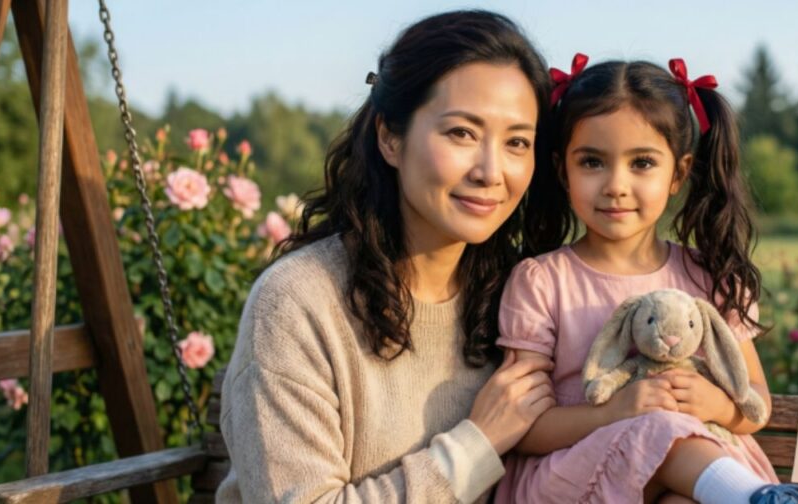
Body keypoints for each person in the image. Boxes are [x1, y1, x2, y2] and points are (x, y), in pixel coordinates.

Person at [216, 10, 562, 503]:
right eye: (461, 133)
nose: (491, 170)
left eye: (517, 143)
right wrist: (475, 446)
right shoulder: (299, 302)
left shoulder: (524, 299)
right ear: (389, 137)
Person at [494, 55, 798, 503]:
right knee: (660, 430)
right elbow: (521, 426)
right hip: (574, 478)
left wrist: (720, 406)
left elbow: (753, 399)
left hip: (692, 476)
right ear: (562, 168)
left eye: (642, 163)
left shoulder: (709, 276)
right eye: (592, 162)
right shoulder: (542, 282)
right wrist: (618, 412)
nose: (616, 185)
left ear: (678, 173)